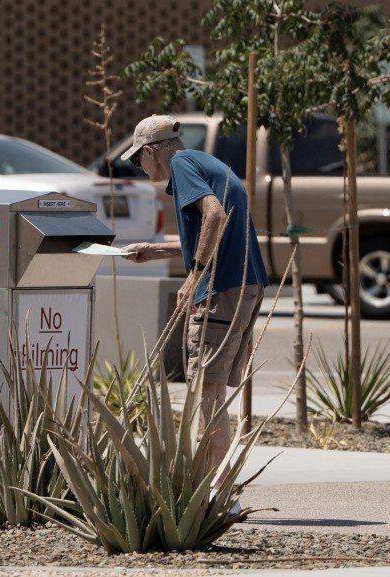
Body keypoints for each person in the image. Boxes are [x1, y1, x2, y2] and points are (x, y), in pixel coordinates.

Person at [119, 114, 269, 487]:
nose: (140, 169)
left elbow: (214, 215)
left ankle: (214, 486)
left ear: (152, 152)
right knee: (212, 387)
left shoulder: (182, 165)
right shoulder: (205, 161)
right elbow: (218, 226)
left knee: (206, 387)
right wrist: (155, 250)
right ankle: (218, 483)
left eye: (139, 160)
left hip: (221, 288)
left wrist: (194, 275)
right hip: (243, 283)